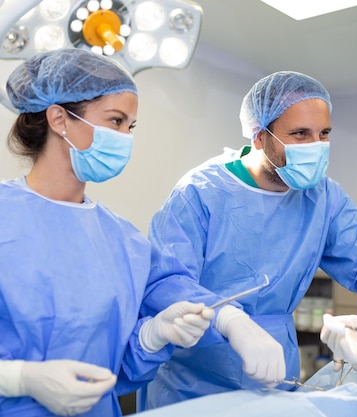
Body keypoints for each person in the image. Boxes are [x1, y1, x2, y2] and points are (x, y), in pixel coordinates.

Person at [139, 70, 357, 409]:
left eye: (324, 134)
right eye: (300, 134)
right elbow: (166, 281)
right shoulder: (200, 193)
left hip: (276, 377)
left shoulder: (322, 197)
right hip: (192, 383)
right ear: (259, 136)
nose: (316, 147)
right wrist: (230, 320)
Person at [0, 48, 214, 417]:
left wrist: (153, 336)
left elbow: (115, 367)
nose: (125, 137)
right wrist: (21, 378)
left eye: (130, 126)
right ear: (59, 119)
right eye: (115, 121)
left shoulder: (123, 240)